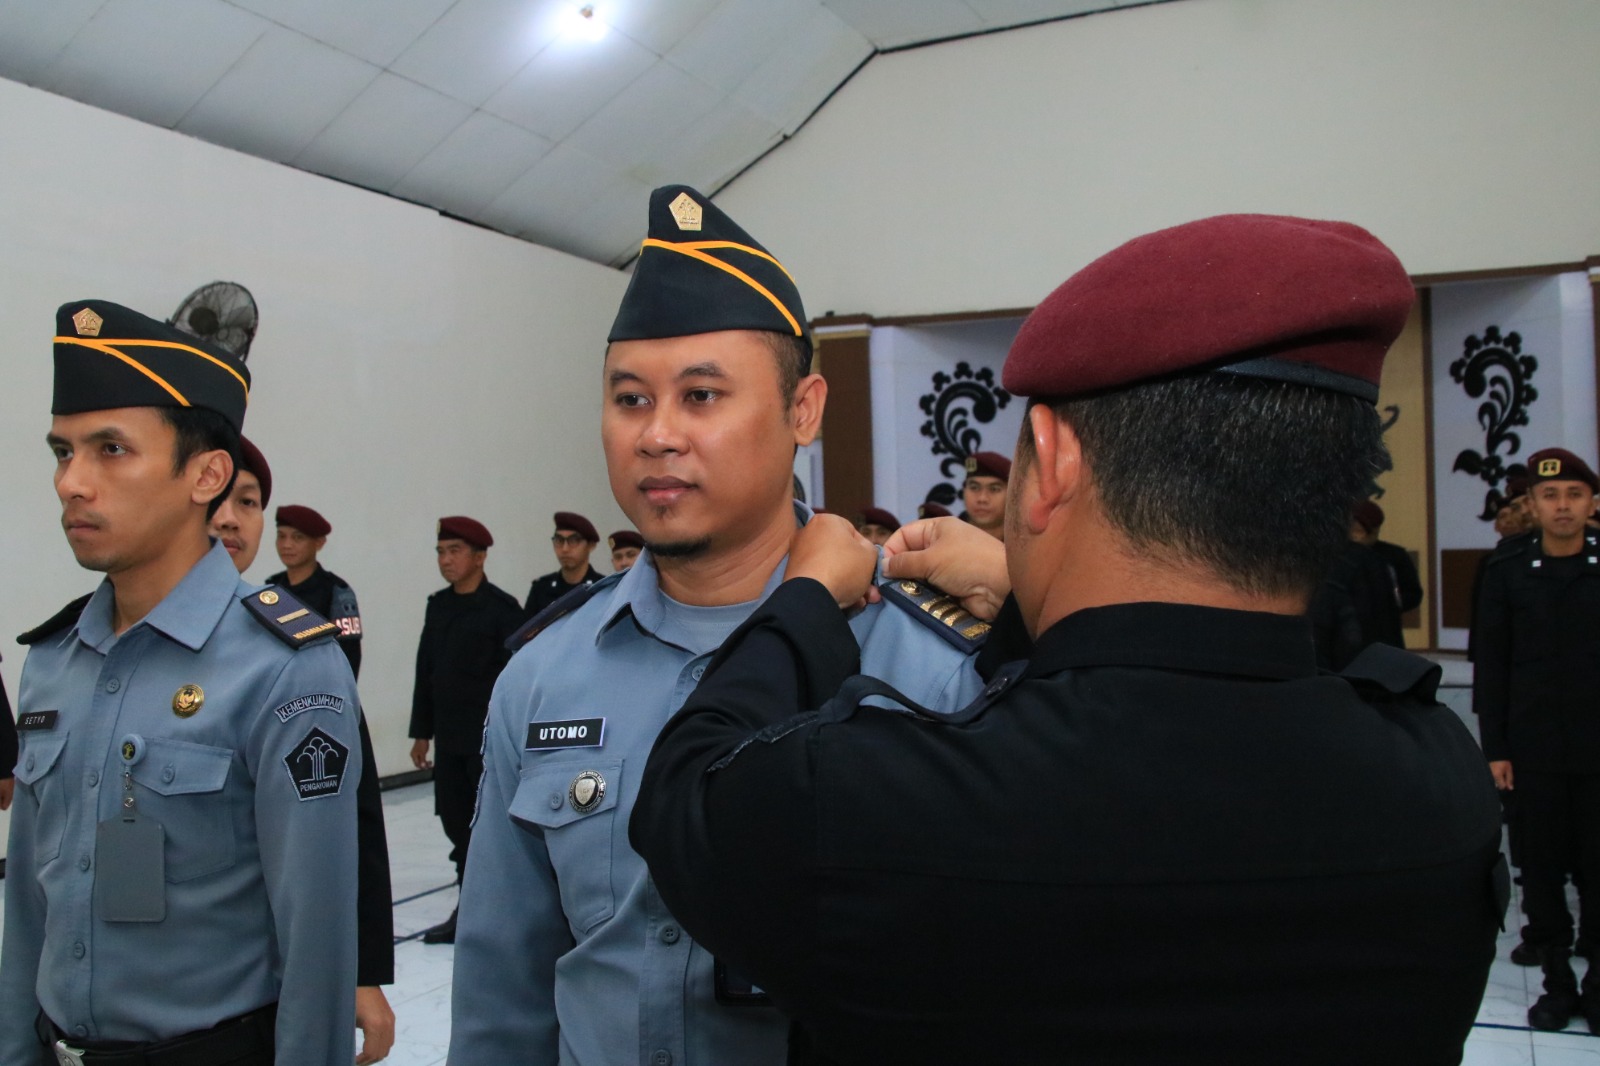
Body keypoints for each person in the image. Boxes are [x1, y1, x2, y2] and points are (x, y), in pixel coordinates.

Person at [632, 214, 1506, 1064]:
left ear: (1049, 463)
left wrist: (808, 600)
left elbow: (688, 787)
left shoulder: (876, 804)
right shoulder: (1437, 779)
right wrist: (1031, 599)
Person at [448, 185, 985, 1065]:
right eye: (629, 400)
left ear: (803, 410)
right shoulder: (545, 676)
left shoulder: (925, 664)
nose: (657, 436)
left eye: (701, 396)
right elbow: (504, 986)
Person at [1, 300, 361, 1065]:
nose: (72, 482)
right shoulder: (53, 662)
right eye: (62, 451)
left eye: (110, 450)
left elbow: (318, 938)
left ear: (206, 474)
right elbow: (28, 904)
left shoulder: (283, 668)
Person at [210, 438, 396, 1064]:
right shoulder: (79, 654)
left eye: (249, 502)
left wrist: (362, 968)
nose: (231, 519)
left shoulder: (307, 642)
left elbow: (354, 834)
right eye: (220, 499)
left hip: (251, 997)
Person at [1475, 447, 1600, 1030]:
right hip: (1534, 753)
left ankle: (1598, 983)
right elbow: (1492, 664)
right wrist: (1496, 746)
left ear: (1591, 503)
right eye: (1550, 496)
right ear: (1533, 504)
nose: (1563, 506)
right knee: (1542, 870)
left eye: (1574, 494)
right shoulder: (1506, 568)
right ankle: (1555, 980)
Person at [409, 516, 522, 944]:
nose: (445, 560)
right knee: (456, 823)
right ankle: (472, 904)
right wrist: (421, 731)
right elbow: (427, 671)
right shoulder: (438, 605)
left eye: (455, 551)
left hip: (487, 742)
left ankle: (485, 911)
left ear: (480, 556)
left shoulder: (503, 610)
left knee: (488, 828)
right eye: (441, 551)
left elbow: (517, 680)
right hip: (450, 738)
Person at [266, 505, 363, 677]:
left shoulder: (337, 592)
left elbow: (349, 658)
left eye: (298, 538)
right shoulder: (271, 589)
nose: (287, 545)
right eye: (281, 536)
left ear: (319, 543)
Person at [523, 512, 603, 619]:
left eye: (574, 540)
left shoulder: (601, 588)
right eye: (559, 540)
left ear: (591, 545)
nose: (565, 549)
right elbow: (527, 632)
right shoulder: (541, 589)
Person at [1353, 498, 1424, 618]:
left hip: (1382, 628)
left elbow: (1413, 595)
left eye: (1360, 531)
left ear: (1376, 530)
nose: (1356, 536)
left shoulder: (1394, 556)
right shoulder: (1334, 556)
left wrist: (1386, 601)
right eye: (1354, 530)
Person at [960, 451, 1009, 539]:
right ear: (964, 490)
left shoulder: (1025, 543)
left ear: (1011, 494)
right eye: (974, 488)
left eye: (994, 489)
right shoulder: (943, 538)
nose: (982, 498)